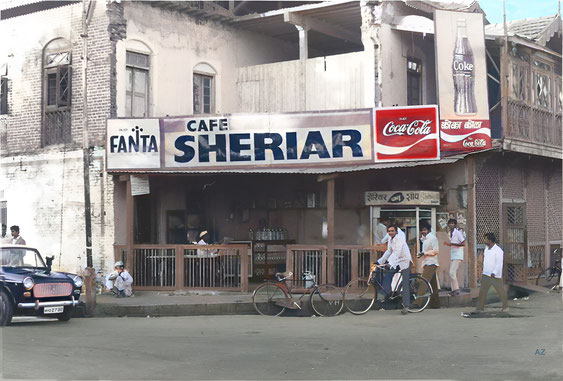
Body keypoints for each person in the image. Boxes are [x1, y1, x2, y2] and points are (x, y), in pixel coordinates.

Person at [377, 225, 412, 315]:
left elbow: (397, 252)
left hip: (405, 261)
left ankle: (406, 306)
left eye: (392, 231)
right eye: (389, 231)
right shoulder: (390, 239)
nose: (390, 232)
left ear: (396, 231)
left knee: (405, 283)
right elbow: (389, 251)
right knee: (388, 275)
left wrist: (389, 263)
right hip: (396, 262)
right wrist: (380, 261)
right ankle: (387, 294)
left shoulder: (400, 238)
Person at [475, 233, 509, 313]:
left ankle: (505, 306)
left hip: (495, 275)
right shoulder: (486, 249)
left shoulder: (498, 251)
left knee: (500, 291)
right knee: (483, 291)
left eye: (486, 239)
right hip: (486, 273)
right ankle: (480, 308)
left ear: (490, 240)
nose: (485, 240)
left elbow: (499, 263)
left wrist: (494, 272)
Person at [417, 223, 440, 308]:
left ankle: (417, 302)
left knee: (424, 282)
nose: (423, 232)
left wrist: (425, 253)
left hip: (432, 263)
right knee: (433, 285)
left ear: (429, 230)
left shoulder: (432, 238)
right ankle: (436, 304)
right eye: (422, 230)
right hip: (426, 263)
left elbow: (436, 251)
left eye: (425, 230)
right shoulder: (424, 239)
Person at [444, 219, 464, 296]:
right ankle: (454, 290)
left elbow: (463, 243)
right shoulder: (450, 233)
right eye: (449, 223)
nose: (451, 225)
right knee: (452, 273)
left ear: (455, 225)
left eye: (452, 223)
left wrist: (451, 244)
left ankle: (456, 289)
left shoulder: (458, 233)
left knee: (451, 272)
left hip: (458, 255)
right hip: (453, 255)